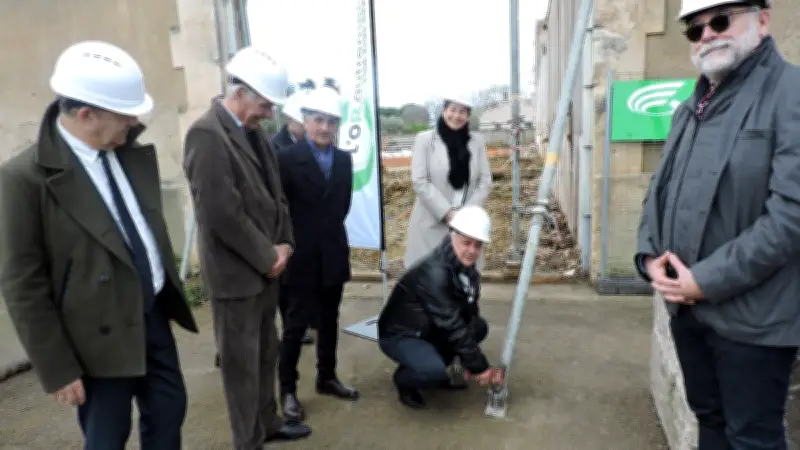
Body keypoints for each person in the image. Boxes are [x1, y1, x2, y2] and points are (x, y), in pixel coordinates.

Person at [0, 41, 199, 449]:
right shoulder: (24, 178)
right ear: (86, 114)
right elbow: (22, 284)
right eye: (125, 117)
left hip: (151, 315)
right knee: (107, 437)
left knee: (168, 416)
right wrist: (56, 367)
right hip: (95, 340)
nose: (133, 125)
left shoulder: (123, 150)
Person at [635, 1, 800, 448]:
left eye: (721, 21)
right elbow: (659, 190)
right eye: (695, 28)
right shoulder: (691, 107)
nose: (707, 34)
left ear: (762, 21)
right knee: (709, 421)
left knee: (752, 437)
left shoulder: (790, 93)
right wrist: (649, 254)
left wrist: (705, 280)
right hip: (688, 311)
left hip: (754, 320)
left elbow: (790, 216)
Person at [182, 47, 311, 448]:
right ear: (239, 93)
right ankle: (247, 440)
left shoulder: (255, 132)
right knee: (241, 368)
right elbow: (221, 213)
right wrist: (266, 256)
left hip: (267, 268)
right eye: (264, 104)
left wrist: (286, 242)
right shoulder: (206, 134)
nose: (269, 113)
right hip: (237, 276)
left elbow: (278, 197)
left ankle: (268, 423)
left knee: (265, 354)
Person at [276, 85, 359, 423]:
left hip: (333, 252)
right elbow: (280, 209)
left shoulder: (343, 160)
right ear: (305, 121)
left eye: (331, 122)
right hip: (300, 256)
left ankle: (327, 377)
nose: (325, 128)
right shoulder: (285, 159)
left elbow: (343, 205)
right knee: (295, 326)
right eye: (318, 120)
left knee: (330, 321)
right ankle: (288, 390)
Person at [378, 206, 503, 409]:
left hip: (430, 326)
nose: (472, 251)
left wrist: (469, 358)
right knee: (432, 372)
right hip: (402, 334)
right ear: (453, 236)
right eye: (466, 243)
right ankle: (404, 380)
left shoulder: (466, 269)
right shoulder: (435, 273)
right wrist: (480, 367)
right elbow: (452, 325)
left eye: (478, 245)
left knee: (478, 327)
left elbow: (469, 313)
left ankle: (438, 360)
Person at [404, 95, 493, 270]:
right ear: (444, 111)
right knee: (429, 280)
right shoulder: (425, 140)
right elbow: (420, 181)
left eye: (463, 112)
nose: (456, 116)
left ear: (468, 115)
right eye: (452, 109)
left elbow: (485, 181)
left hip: (467, 227)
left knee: (462, 280)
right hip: (431, 223)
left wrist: (465, 215)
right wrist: (448, 213)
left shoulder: (476, 142)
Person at [271, 83, 316, 346]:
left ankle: (303, 321)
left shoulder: (306, 145)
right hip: (285, 224)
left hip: (303, 225)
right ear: (291, 121)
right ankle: (291, 328)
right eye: (305, 121)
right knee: (286, 283)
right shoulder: (276, 147)